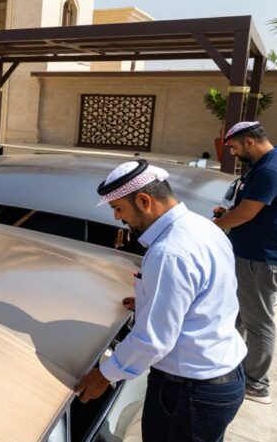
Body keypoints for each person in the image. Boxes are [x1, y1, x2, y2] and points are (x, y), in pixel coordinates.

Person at [74, 160, 245, 442]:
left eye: (119, 209)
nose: (117, 218)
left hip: (189, 393)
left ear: (144, 201)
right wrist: (152, 300)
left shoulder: (169, 252)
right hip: (221, 377)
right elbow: (205, 293)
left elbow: (153, 340)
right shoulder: (203, 227)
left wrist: (104, 375)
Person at [213, 121, 277, 405]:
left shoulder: (271, 170)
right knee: (241, 314)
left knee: (258, 322)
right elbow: (250, 206)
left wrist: (214, 226)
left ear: (250, 141)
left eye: (235, 147)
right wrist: (228, 212)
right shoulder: (270, 164)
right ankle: (233, 366)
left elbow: (246, 213)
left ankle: (256, 384)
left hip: (263, 259)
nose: (234, 152)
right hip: (259, 255)